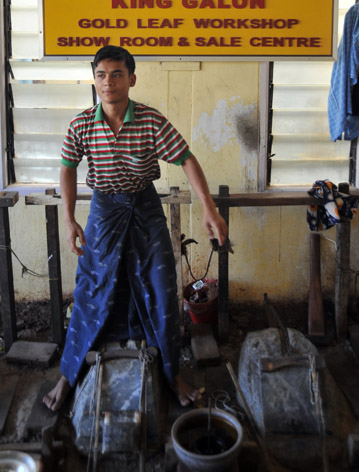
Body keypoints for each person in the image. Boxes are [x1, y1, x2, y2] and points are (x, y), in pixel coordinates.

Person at [43, 45, 228, 412]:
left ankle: (172, 373)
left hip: (144, 207)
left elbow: (186, 159)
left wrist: (208, 207)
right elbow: (67, 168)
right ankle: (69, 374)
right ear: (94, 78)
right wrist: (69, 218)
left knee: (160, 286)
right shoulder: (81, 124)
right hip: (103, 210)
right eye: (100, 75)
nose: (107, 82)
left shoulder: (150, 120)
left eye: (116, 74)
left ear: (131, 78)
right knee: (91, 288)